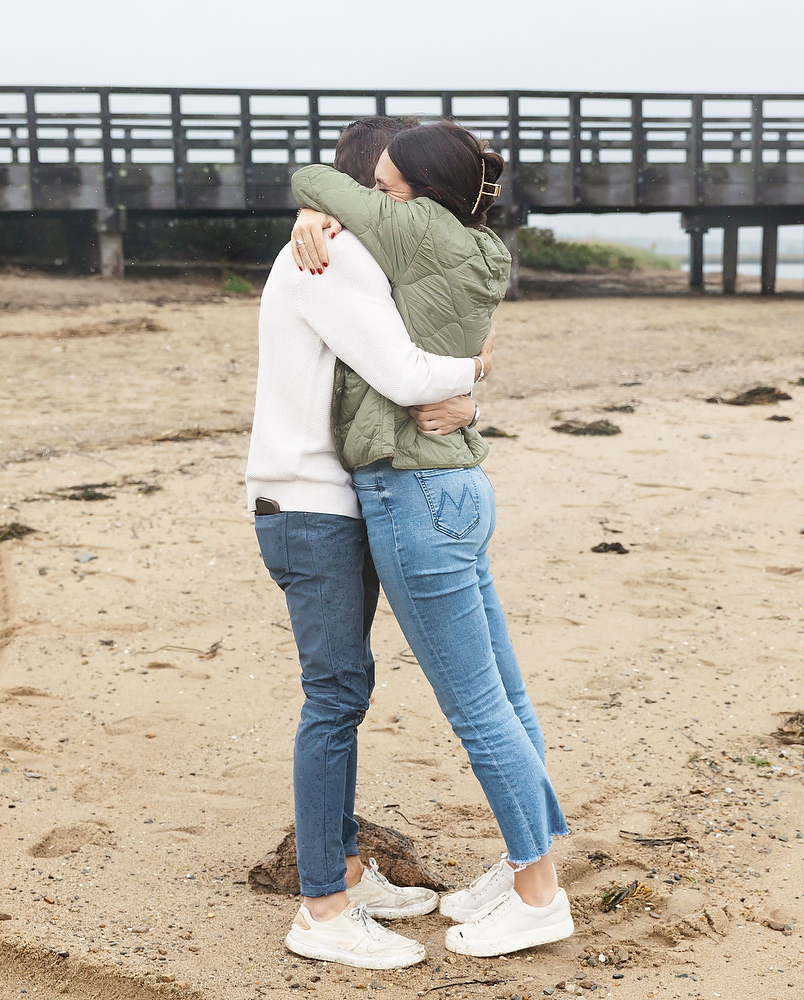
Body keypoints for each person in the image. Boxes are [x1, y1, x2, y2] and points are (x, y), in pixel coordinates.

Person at [289, 119, 572, 958]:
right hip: (462, 481)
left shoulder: (409, 234)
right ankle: (531, 860)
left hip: (412, 489)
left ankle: (537, 890)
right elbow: (464, 349)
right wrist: (477, 383)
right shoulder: (487, 250)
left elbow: (315, 175)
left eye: (385, 187)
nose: (374, 197)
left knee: (477, 708)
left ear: (417, 192)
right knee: (507, 696)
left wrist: (318, 213)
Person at [247, 116, 487, 970]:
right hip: (308, 505)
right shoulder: (335, 255)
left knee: (346, 689)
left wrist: (462, 398)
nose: (400, 205)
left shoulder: (350, 252)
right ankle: (320, 911)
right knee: (336, 694)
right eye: (389, 189)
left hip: (324, 503)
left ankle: (342, 868)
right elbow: (404, 376)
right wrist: (479, 373)